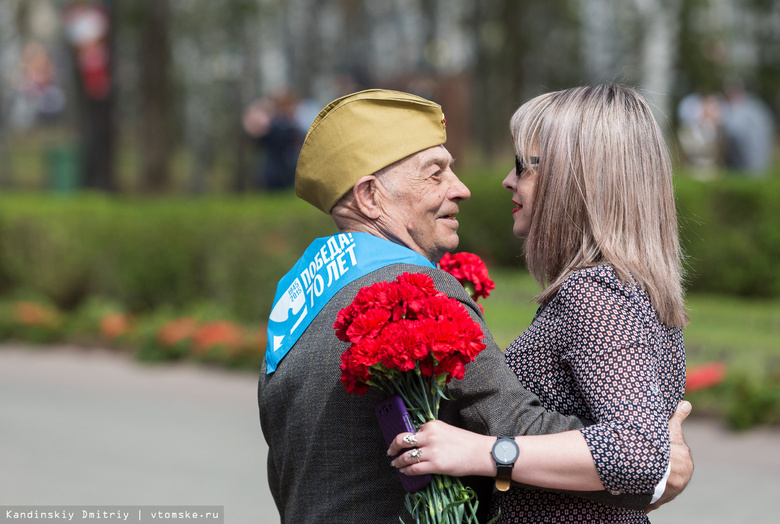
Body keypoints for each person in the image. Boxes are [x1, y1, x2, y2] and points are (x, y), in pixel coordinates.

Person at [258, 89, 693, 523]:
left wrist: (638, 452)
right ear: (371, 196)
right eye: (435, 174)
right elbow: (513, 426)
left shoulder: (296, 309)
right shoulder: (412, 292)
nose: (463, 189)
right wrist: (660, 467)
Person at [389, 85, 689, 522]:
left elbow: (638, 451)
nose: (508, 180)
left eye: (521, 166)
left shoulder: (597, 291)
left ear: (576, 175)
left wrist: (484, 452)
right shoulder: (627, 286)